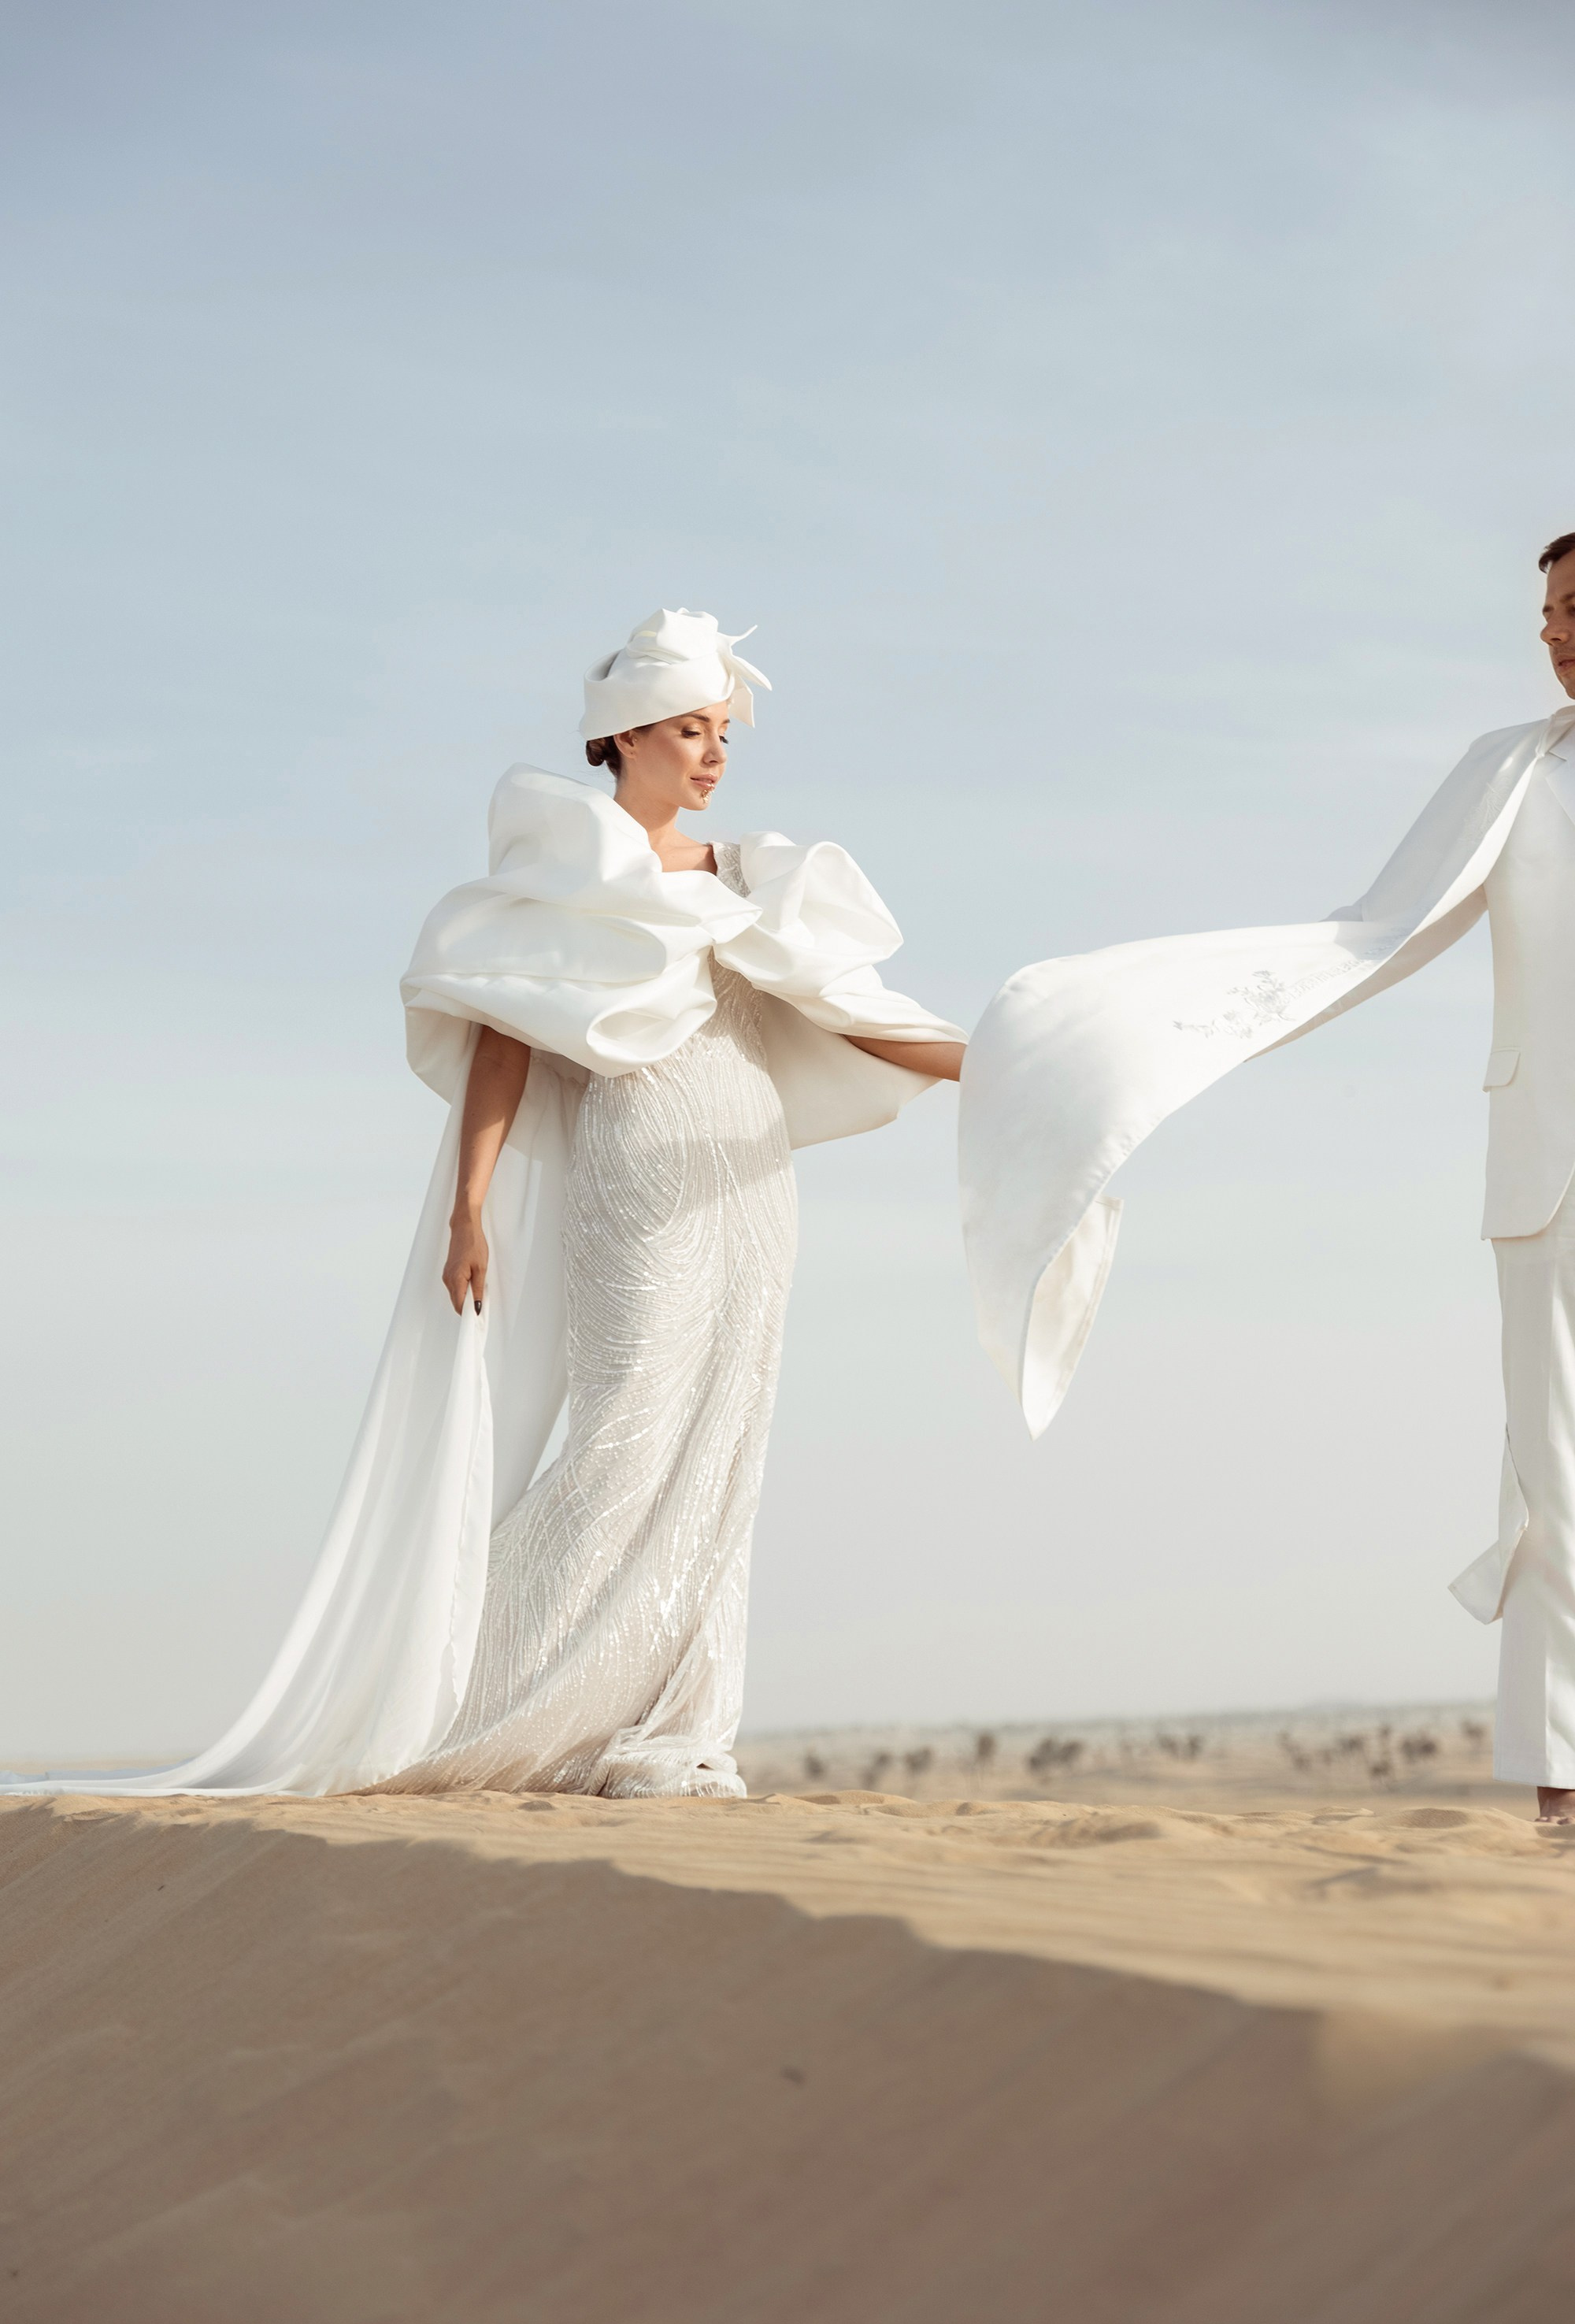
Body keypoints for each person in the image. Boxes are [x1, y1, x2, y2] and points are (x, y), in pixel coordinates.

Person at [13, 609, 965, 1798]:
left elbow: (856, 1014)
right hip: (639, 1164)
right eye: (690, 730)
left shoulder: (752, 878)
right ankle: (479, 1703)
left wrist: (991, 1067)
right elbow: (505, 1048)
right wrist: (469, 1206)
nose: (715, 756)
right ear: (623, 739)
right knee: (626, 1433)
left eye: (724, 733)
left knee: (730, 1444)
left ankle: (677, 1732)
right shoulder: (569, 871)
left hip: (751, 1173)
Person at [958, 533, 1575, 1820]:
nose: (1553, 633)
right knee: (1561, 1471)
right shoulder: (1506, 774)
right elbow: (1367, 937)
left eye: (1574, 610)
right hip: (1545, 1175)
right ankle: (1567, 1780)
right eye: (1547, 612)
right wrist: (1144, 1037)